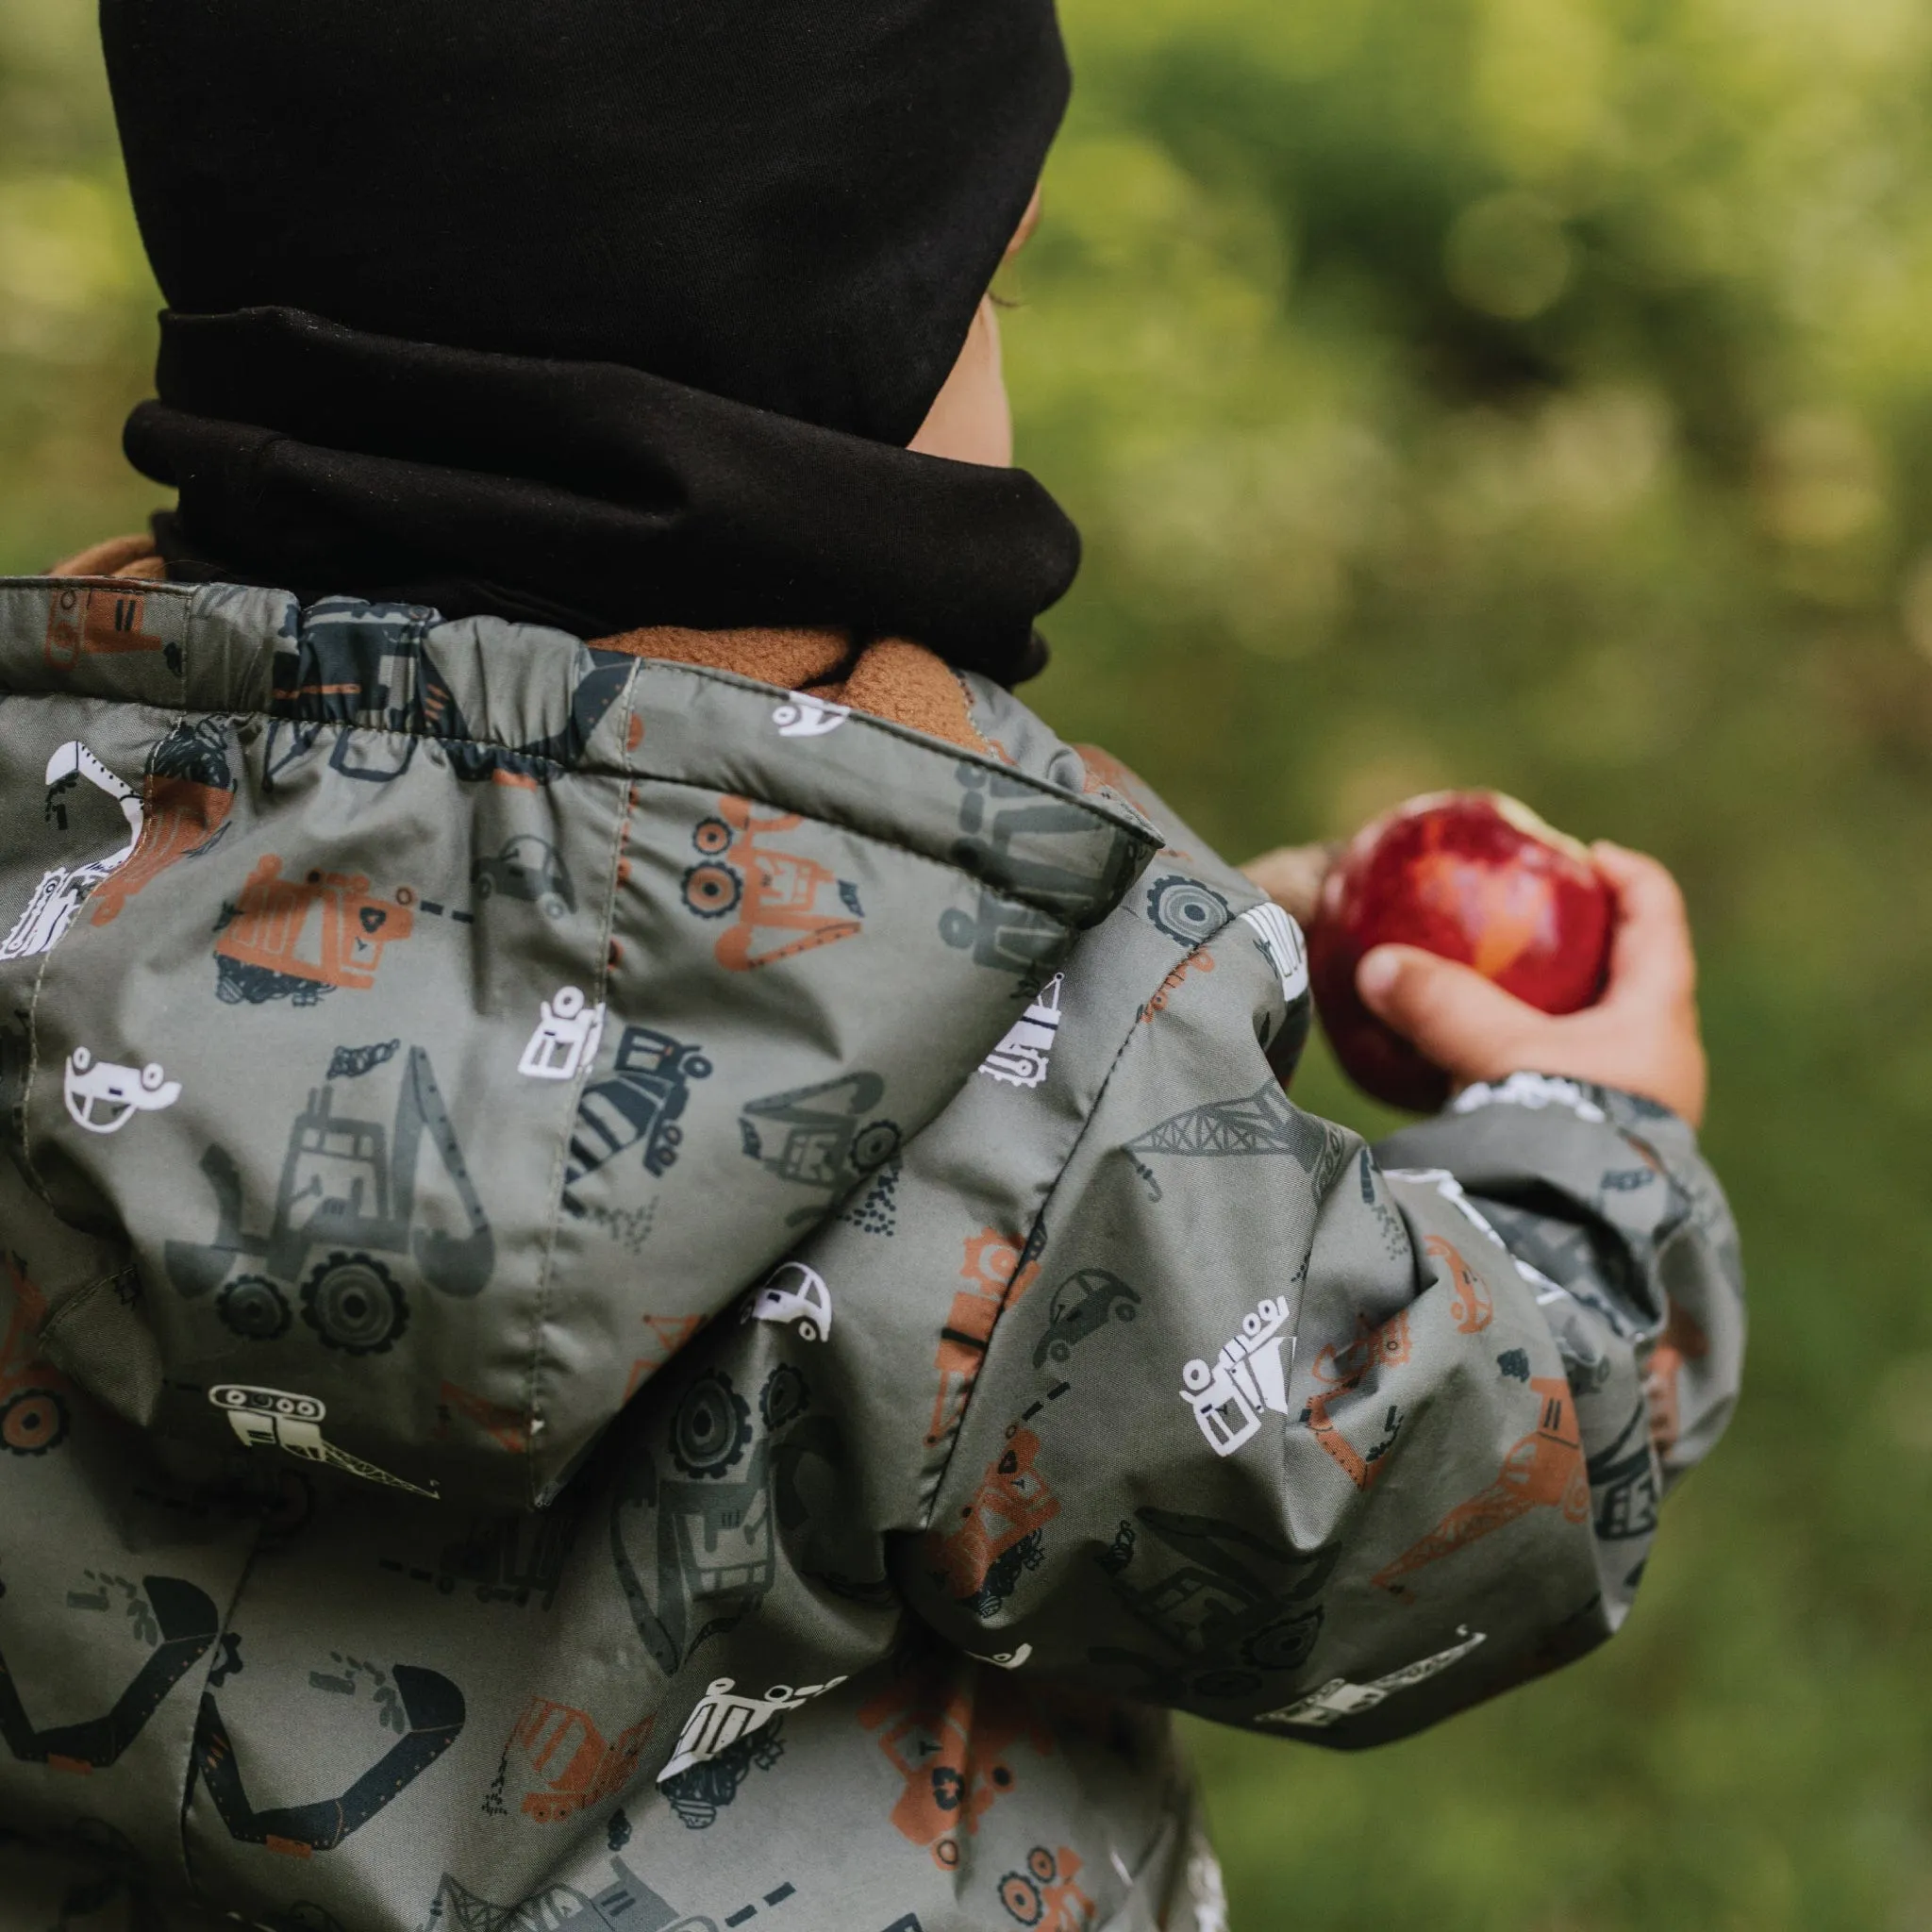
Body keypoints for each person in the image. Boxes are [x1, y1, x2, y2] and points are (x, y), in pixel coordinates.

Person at [0, 1, 1740, 1926]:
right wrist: (1592, 1147)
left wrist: (1152, 992)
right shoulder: (1018, 1056)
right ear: (805, 338)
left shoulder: (51, 845)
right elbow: (1398, 1492)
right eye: (993, 291)